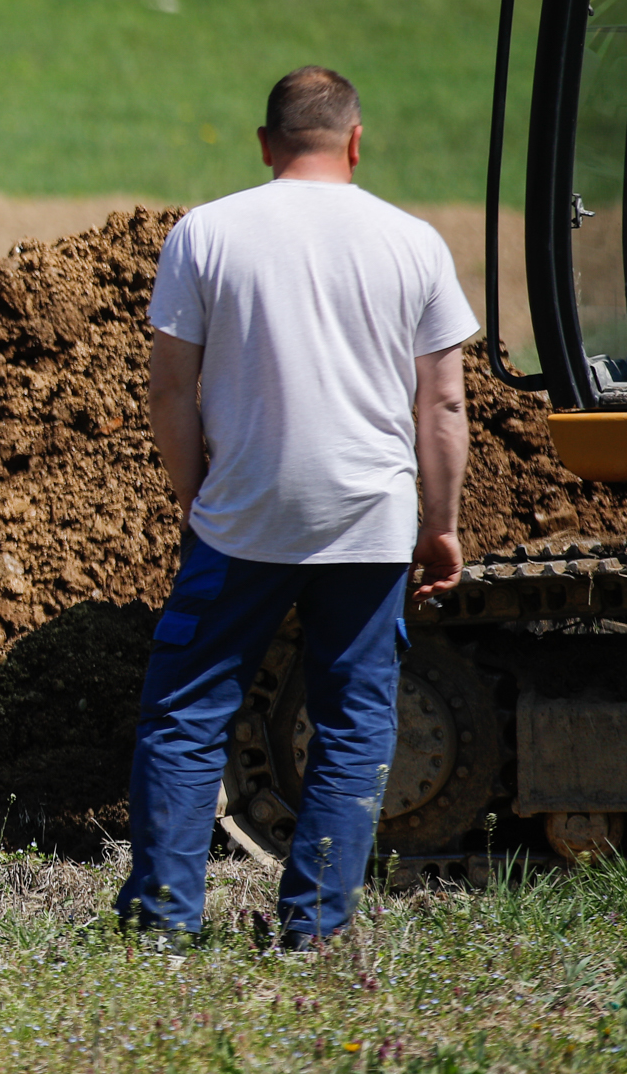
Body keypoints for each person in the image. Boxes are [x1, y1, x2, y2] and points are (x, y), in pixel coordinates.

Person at [124, 65, 474, 949]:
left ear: (264, 144)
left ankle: (164, 926)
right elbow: (441, 405)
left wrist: (194, 501)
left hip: (242, 514)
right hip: (370, 519)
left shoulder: (206, 232)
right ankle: (315, 930)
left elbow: (171, 391)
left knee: (186, 712)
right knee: (354, 724)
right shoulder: (414, 243)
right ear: (356, 142)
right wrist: (439, 525)